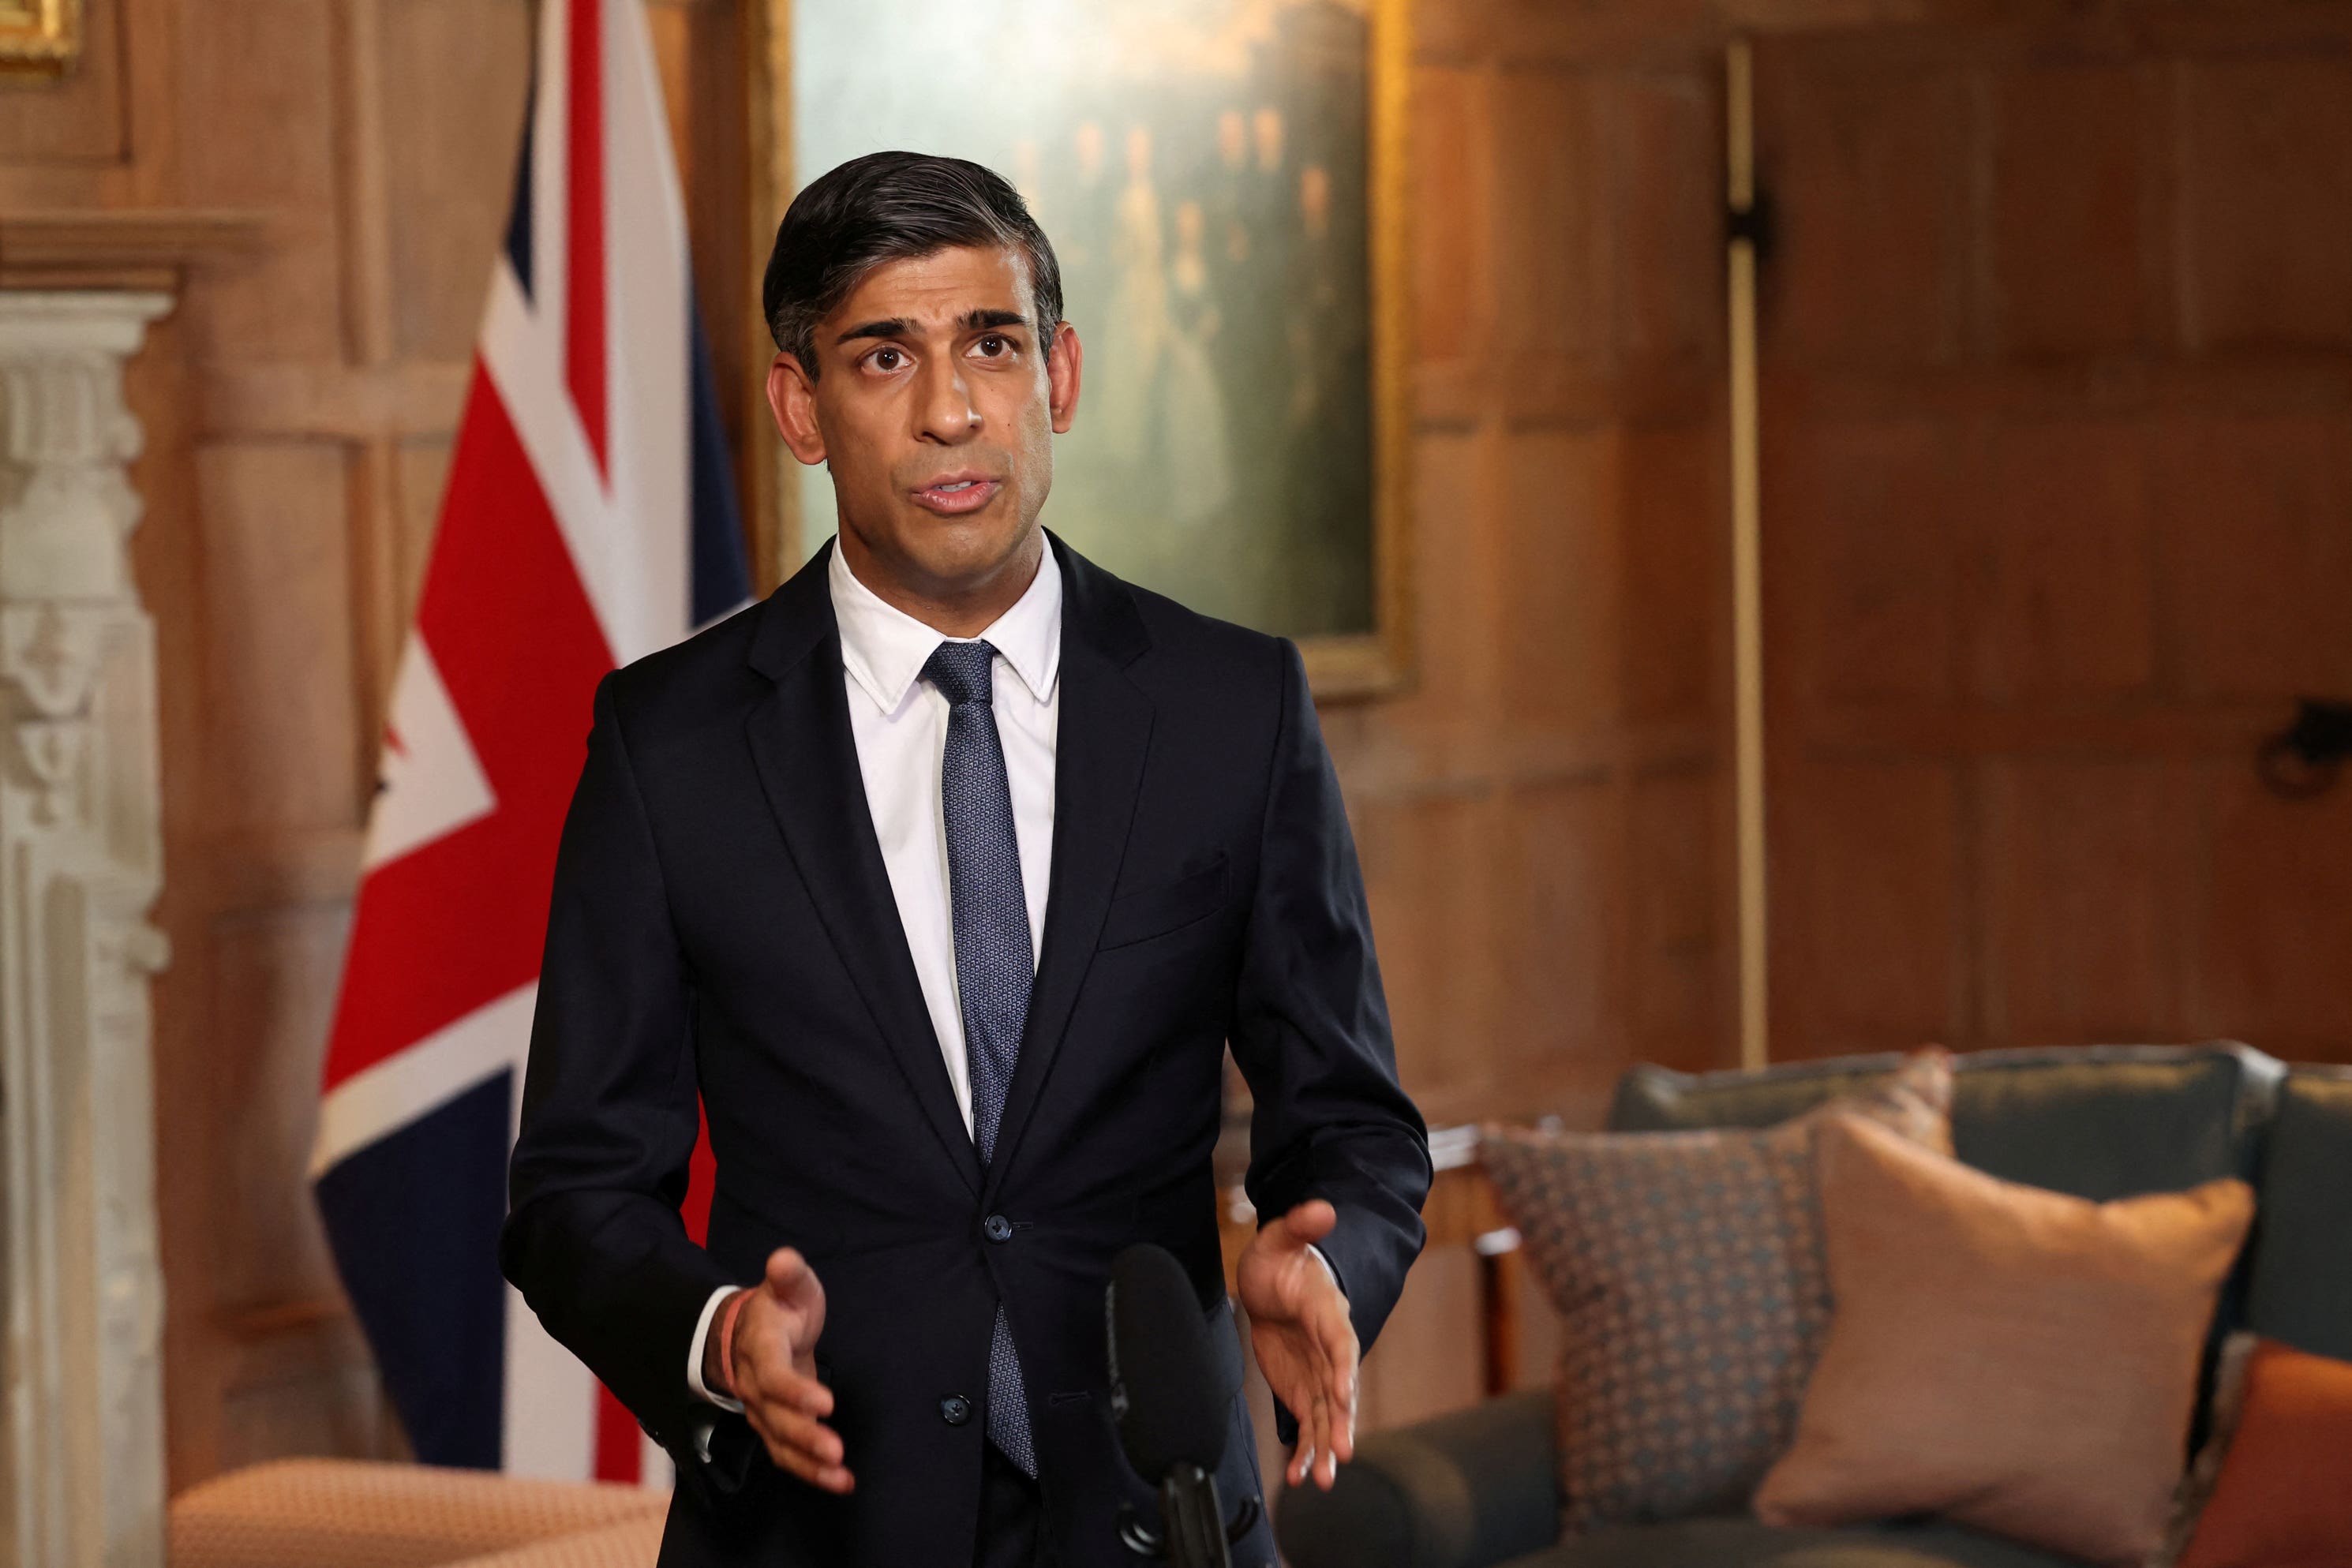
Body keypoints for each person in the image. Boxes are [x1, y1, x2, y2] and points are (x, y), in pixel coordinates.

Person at [500, 150, 1429, 1568]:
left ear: (1056, 376)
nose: (950, 410)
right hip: (820, 1534)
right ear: (802, 408)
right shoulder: (667, 747)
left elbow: (1357, 1129)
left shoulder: (1231, 708)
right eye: (886, 357)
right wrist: (717, 1336)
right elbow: (573, 1194)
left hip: (1159, 1523)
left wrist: (1330, 1266)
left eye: (989, 345)